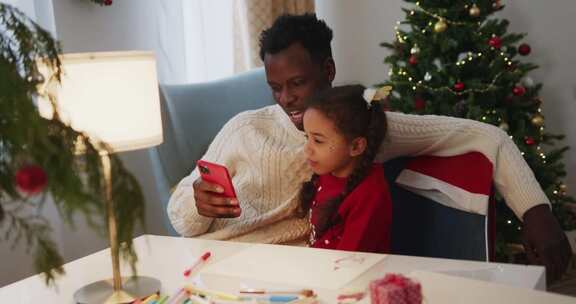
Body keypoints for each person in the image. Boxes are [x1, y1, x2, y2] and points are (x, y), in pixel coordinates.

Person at [167, 13, 571, 283]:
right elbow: (181, 218)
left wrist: (538, 214)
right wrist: (197, 204)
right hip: (213, 266)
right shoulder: (244, 129)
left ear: (327, 72)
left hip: (288, 279)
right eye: (275, 87)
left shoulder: (363, 130)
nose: (286, 98)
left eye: (297, 83)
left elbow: (485, 137)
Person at [298, 85, 391, 253]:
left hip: (351, 274)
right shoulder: (326, 172)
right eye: (307, 137)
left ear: (356, 146)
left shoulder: (369, 194)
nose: (307, 149)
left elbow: (350, 263)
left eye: (318, 141)